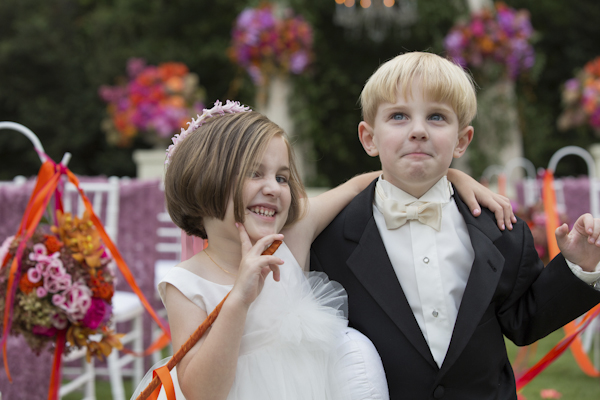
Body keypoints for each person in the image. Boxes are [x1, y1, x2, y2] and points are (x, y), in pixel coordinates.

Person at [132, 100, 515, 400]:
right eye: (254, 173)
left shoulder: (290, 241)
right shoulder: (187, 283)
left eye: (282, 176)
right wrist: (238, 301)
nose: (274, 187)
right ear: (205, 179)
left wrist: (451, 176)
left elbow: (362, 184)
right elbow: (202, 393)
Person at [310, 51, 600, 400]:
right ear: (369, 137)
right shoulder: (330, 241)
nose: (418, 131)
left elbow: (525, 320)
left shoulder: (501, 229)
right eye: (399, 116)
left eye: (436, 117)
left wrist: (580, 266)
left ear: (462, 140)